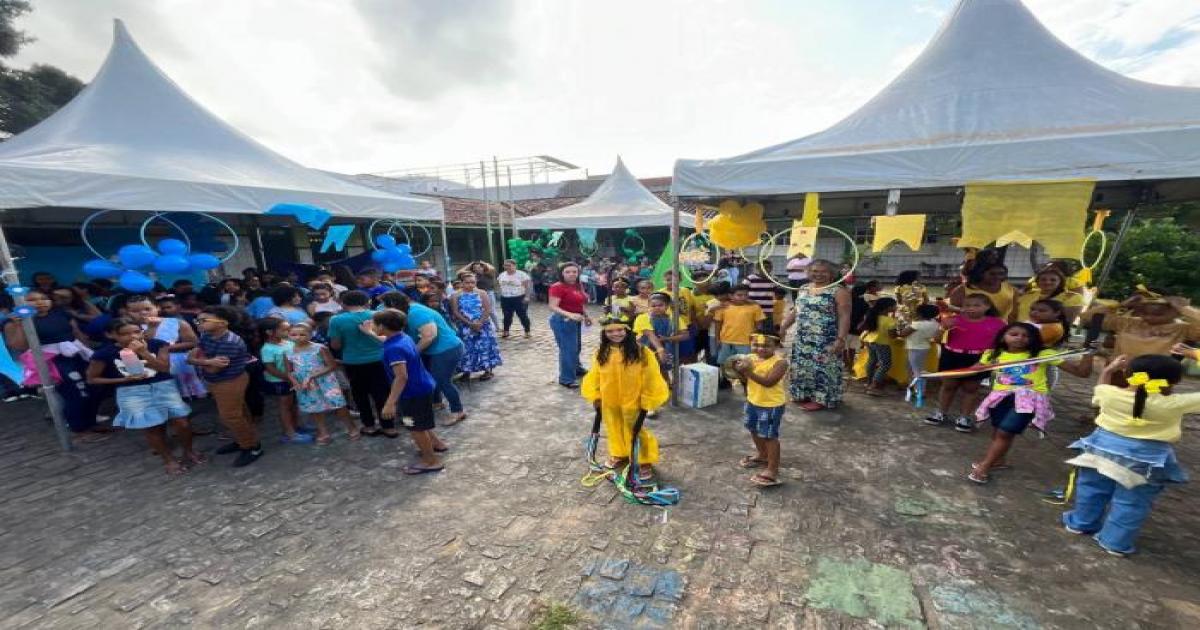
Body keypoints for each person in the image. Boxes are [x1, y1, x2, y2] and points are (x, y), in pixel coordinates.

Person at [1062, 352, 1200, 556]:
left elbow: (1100, 390)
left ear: (1127, 373)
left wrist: (1109, 369)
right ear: (1176, 381)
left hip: (1100, 450)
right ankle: (1114, 542)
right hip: (1145, 459)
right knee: (1132, 502)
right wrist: (1193, 354)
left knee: (1091, 489)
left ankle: (1081, 523)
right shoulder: (1176, 403)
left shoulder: (1110, 394)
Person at [968, 323, 1092, 484]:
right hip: (1000, 397)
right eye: (1014, 334)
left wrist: (1089, 354)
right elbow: (973, 369)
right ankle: (998, 461)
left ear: (1034, 339)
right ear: (1003, 337)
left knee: (1005, 432)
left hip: (1029, 399)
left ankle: (984, 466)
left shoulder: (1043, 354)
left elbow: (1081, 373)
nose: (1020, 338)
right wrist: (938, 374)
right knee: (999, 430)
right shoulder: (992, 354)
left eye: (1026, 335)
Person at [86, 318, 203, 474]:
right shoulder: (104, 354)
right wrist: (123, 379)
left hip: (163, 386)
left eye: (136, 331)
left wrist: (144, 353)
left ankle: (189, 451)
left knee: (182, 422)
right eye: (125, 334)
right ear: (112, 335)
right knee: (152, 427)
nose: (133, 337)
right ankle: (168, 459)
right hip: (132, 392)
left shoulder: (157, 344)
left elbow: (163, 368)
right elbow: (92, 378)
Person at [4, 289, 105, 441]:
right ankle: (79, 429)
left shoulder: (61, 313)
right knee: (75, 392)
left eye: (44, 298)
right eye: (32, 299)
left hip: (76, 354)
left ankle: (91, 422)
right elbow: (18, 345)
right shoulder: (14, 321)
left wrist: (92, 354)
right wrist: (20, 325)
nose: (39, 302)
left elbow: (77, 333)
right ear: (20, 303)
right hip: (53, 361)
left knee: (93, 388)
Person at [581, 314, 670, 481]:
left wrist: (648, 400)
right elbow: (594, 375)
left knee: (635, 429)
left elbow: (651, 377)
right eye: (610, 331)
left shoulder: (642, 352)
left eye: (620, 330)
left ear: (627, 330)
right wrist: (595, 395)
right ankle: (620, 453)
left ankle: (644, 460)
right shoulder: (601, 352)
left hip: (634, 399)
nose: (616, 334)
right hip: (610, 398)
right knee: (614, 426)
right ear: (604, 333)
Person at [377, 292, 468, 426]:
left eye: (384, 305)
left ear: (393, 304)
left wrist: (411, 354)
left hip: (446, 349)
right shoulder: (401, 311)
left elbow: (429, 336)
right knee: (432, 377)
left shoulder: (416, 312)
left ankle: (458, 411)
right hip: (433, 351)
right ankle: (437, 403)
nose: (381, 308)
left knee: (443, 381)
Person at [373, 310, 447, 474]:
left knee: (414, 427)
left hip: (410, 393)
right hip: (422, 386)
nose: (371, 326)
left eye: (373, 323)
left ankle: (431, 461)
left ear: (382, 327)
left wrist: (390, 403)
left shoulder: (393, 348)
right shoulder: (403, 338)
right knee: (421, 422)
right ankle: (436, 444)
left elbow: (401, 377)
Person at [189, 306, 262, 467]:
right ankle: (241, 440)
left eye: (203, 321)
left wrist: (200, 361)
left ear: (223, 323)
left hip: (229, 381)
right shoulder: (207, 336)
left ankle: (251, 447)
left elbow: (212, 366)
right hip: (217, 380)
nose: (199, 324)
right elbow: (195, 353)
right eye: (197, 320)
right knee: (239, 412)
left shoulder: (230, 342)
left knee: (231, 416)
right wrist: (205, 361)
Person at [925, 294, 1009, 432]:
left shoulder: (998, 323)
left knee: (971, 388)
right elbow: (937, 340)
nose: (971, 308)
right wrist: (942, 329)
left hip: (979, 359)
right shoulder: (952, 320)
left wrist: (990, 361)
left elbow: (1001, 345)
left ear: (987, 307)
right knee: (948, 386)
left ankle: (964, 417)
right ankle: (940, 412)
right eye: (967, 305)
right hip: (952, 356)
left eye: (977, 305)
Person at [779, 260, 851, 411]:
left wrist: (841, 339)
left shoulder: (838, 291)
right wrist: (784, 326)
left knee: (823, 368)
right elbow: (796, 310)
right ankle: (803, 394)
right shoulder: (804, 288)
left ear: (832, 273)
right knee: (802, 366)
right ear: (808, 272)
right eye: (815, 271)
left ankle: (821, 399)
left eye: (823, 271)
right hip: (803, 337)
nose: (818, 275)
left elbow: (845, 316)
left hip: (826, 338)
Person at [329, 290, 393, 437]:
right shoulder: (377, 315)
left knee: (360, 394)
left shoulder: (336, 320)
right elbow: (388, 336)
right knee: (382, 393)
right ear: (367, 302)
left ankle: (369, 426)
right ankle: (389, 427)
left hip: (353, 362)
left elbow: (336, 345)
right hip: (379, 359)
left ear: (343, 303)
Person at [285, 322, 358, 445]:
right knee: (315, 408)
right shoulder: (288, 352)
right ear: (288, 335)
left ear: (311, 334)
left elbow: (332, 365)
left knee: (338, 405)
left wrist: (312, 376)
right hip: (306, 385)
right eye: (294, 334)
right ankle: (323, 432)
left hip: (326, 382)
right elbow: (289, 371)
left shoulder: (319, 348)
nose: (298, 337)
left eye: (302, 334)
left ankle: (351, 427)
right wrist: (294, 381)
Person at [733, 334, 788, 487]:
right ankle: (762, 455)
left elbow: (769, 383)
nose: (760, 349)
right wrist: (737, 370)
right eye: (756, 344)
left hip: (771, 405)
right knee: (753, 429)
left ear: (776, 346)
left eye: (766, 346)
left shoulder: (780, 363)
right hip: (753, 401)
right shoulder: (750, 358)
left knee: (769, 436)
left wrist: (747, 372)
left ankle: (772, 469)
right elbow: (744, 380)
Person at [127, 294, 206, 399]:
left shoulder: (177, 323)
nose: (143, 313)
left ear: (157, 307)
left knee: (185, 395)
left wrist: (165, 348)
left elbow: (193, 342)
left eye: (147, 309)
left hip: (177, 361)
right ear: (128, 312)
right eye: (135, 311)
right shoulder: (128, 328)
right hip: (148, 363)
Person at [258, 318, 312, 445]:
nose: (288, 331)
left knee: (293, 404)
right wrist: (288, 378)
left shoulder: (287, 342)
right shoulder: (268, 349)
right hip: (280, 381)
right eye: (285, 330)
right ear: (269, 332)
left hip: (292, 379)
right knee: (285, 406)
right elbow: (270, 368)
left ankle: (296, 426)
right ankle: (290, 433)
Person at [450, 273, 502, 380]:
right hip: (465, 326)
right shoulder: (455, 295)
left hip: (482, 325)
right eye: (467, 282)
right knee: (467, 349)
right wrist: (469, 323)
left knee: (484, 347)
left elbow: (487, 309)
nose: (470, 285)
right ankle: (466, 370)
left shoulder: (482, 293)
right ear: (461, 283)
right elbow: (455, 312)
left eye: (472, 282)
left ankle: (487, 370)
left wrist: (480, 323)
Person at [548, 262, 592, 389]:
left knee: (576, 346)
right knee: (568, 349)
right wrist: (570, 314)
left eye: (574, 271)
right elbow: (553, 306)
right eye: (568, 272)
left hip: (576, 319)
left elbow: (581, 303)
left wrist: (586, 316)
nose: (571, 274)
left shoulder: (578, 285)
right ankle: (566, 378)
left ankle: (576, 368)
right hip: (563, 320)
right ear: (562, 273)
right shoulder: (557, 287)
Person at [714, 285, 766, 368]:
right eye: (739, 295)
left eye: (746, 295)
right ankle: (725, 380)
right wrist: (717, 338)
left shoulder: (754, 307)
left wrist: (758, 339)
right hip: (726, 341)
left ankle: (744, 381)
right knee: (725, 364)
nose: (743, 297)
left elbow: (759, 324)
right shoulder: (723, 307)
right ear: (731, 296)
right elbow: (718, 324)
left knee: (746, 365)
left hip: (746, 342)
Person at [950, 260, 1016, 321]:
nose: (997, 277)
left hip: (1001, 327)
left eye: (1001, 274)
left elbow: (1015, 311)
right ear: (981, 274)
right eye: (992, 274)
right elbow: (954, 312)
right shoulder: (962, 290)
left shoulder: (1009, 288)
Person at [1016, 266, 1084, 323]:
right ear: (1037, 282)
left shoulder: (1072, 297)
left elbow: (1068, 321)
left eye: (1053, 280)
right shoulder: (1027, 295)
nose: (1047, 282)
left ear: (1060, 282)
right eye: (1043, 279)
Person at [860, 297, 899, 396]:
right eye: (895, 305)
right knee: (885, 364)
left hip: (870, 340)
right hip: (882, 343)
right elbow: (892, 336)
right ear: (888, 307)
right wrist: (899, 333)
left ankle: (869, 382)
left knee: (872, 361)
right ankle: (874, 385)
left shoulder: (872, 315)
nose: (896, 307)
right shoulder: (889, 320)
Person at [896, 304, 941, 384]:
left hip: (915, 349)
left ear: (920, 314)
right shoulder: (935, 324)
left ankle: (920, 392)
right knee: (913, 368)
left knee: (917, 372)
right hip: (923, 347)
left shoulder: (917, 324)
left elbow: (902, 334)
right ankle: (913, 387)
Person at [496, 259, 532, 339]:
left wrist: (527, 296)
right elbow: (499, 285)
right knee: (507, 315)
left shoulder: (522, 274)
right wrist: (500, 293)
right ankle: (506, 331)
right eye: (505, 265)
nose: (507, 267)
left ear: (514, 265)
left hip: (519, 297)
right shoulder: (502, 275)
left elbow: (527, 287)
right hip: (505, 298)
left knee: (522, 315)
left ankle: (527, 331)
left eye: (509, 265)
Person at [744, 261, 778, 333]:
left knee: (767, 330)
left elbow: (776, 293)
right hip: (753, 308)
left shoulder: (773, 279)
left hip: (767, 309)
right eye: (764, 267)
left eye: (769, 267)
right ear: (758, 268)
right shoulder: (750, 278)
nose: (766, 269)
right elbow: (742, 291)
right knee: (753, 328)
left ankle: (765, 343)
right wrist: (748, 300)